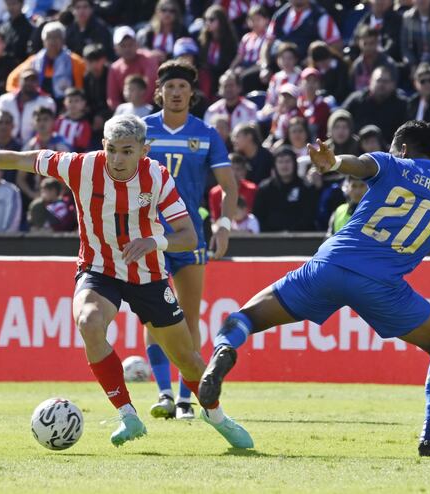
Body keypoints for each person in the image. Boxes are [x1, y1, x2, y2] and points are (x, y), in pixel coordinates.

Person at [198, 120, 430, 458]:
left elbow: (361, 165)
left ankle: (225, 350)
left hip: (330, 267)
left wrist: (334, 161)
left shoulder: (391, 164)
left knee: (246, 317)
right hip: (383, 286)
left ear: (400, 147)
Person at [0, 114, 254, 449]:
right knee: (88, 321)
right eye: (112, 149)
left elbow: (189, 236)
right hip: (98, 269)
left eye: (127, 151)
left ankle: (217, 417)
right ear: (103, 144)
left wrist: (155, 242)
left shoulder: (157, 176)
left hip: (147, 275)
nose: (117, 159)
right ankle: (127, 414)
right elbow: (18, 159)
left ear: (144, 150)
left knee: (189, 360)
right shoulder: (81, 166)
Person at [142, 60, 238, 420]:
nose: (177, 93)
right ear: (160, 93)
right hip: (149, 235)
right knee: (154, 316)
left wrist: (224, 223)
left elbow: (227, 187)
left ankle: (186, 398)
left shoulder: (207, 134)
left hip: (190, 237)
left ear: (192, 94)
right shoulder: (141, 131)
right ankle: (164, 394)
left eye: (183, 87)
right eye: (171, 87)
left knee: (188, 317)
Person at [253, 146, 319, 232]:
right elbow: (259, 217)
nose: (284, 165)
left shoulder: (306, 187)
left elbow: (309, 216)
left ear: (294, 163)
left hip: (301, 238)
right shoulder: (264, 188)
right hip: (270, 239)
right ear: (275, 165)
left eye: (288, 161)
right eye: (280, 162)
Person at [343, 66, 408, 139]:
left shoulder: (402, 105)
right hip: (357, 148)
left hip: (389, 149)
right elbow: (340, 117)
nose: (381, 84)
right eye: (378, 80)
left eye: (385, 81)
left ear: (393, 84)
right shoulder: (356, 100)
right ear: (370, 81)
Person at [107, 26, 158, 110]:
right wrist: (125, 112)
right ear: (115, 48)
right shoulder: (114, 68)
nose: (127, 49)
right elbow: (113, 99)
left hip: (150, 109)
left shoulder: (149, 59)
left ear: (136, 44)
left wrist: (137, 109)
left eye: (130, 44)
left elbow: (151, 89)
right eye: (123, 46)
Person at [208, 152, 257, 220]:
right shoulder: (215, 193)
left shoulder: (252, 189)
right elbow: (216, 219)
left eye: (238, 169)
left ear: (244, 171)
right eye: (230, 169)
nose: (233, 173)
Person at [55, 87, 92, 152]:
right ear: (64, 102)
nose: (73, 104)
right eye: (70, 101)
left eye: (76, 101)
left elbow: (82, 147)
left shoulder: (85, 125)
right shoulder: (59, 121)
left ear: (83, 103)